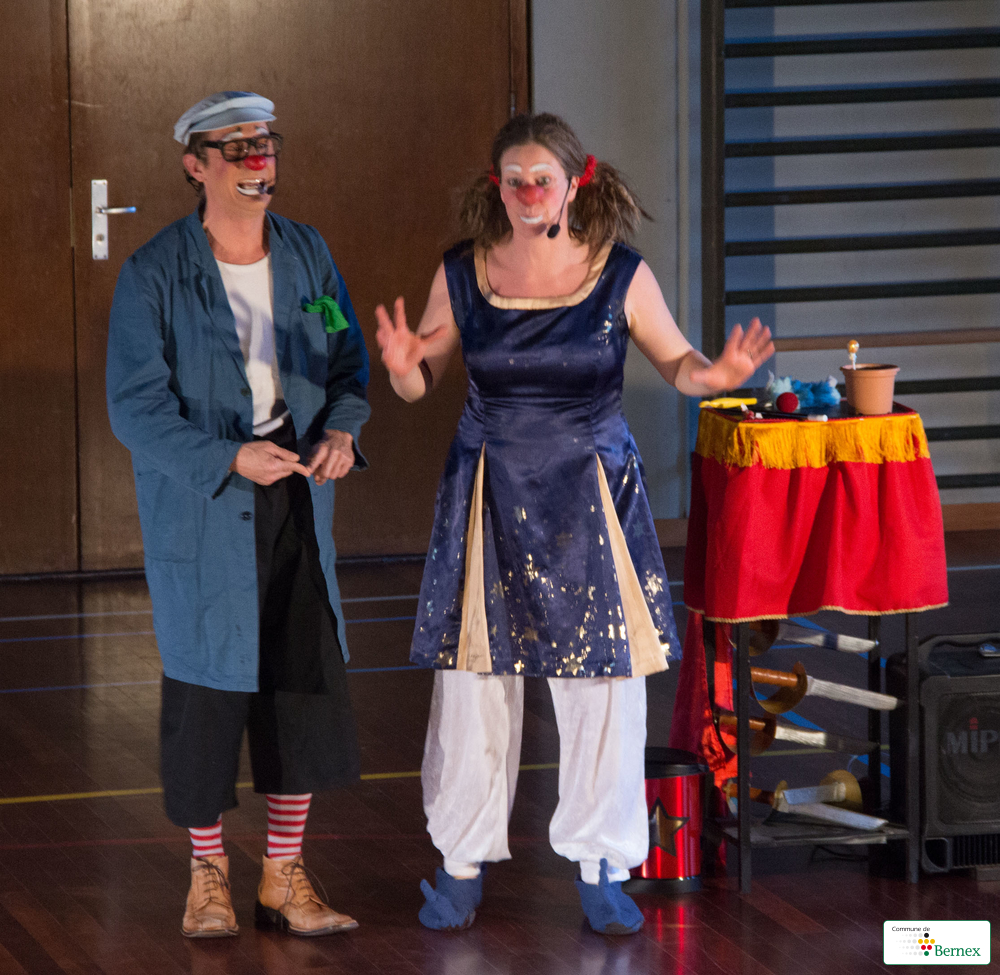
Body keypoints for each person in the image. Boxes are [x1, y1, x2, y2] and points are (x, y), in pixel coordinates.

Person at [375, 112, 772, 935]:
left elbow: (680, 364)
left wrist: (720, 373)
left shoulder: (619, 273)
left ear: (573, 182)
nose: (528, 193)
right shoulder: (463, 272)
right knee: (474, 685)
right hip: (489, 492)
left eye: (542, 180)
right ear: (497, 186)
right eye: (514, 180)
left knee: (603, 686)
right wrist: (405, 370)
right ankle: (460, 866)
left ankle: (601, 866)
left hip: (590, 496)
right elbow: (421, 382)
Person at [107, 91, 370, 939]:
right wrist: (226, 457)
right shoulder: (154, 271)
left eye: (266, 144)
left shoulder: (307, 252)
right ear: (197, 165)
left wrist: (342, 430)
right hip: (209, 504)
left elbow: (346, 359)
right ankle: (208, 877)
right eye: (237, 148)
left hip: (295, 494)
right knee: (206, 693)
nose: (259, 161)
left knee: (298, 680)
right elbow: (135, 408)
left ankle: (283, 876)